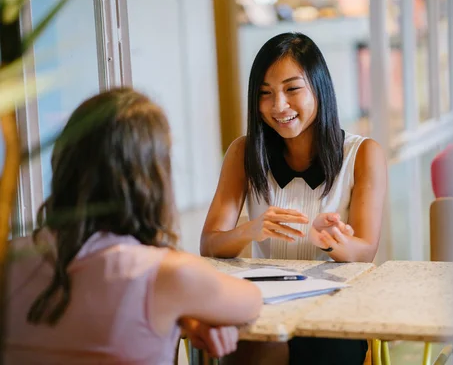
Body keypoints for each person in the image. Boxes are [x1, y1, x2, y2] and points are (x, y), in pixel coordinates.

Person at [5, 89, 263, 364]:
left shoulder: (8, 259)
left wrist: (180, 315)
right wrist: (185, 312)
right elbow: (250, 301)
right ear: (150, 180)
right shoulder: (168, 273)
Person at [201, 33, 387, 364]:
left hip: (335, 311)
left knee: (323, 350)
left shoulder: (362, 154)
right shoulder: (244, 152)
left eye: (292, 89)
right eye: (265, 94)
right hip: (266, 309)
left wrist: (329, 240)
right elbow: (209, 244)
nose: (279, 106)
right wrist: (252, 230)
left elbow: (365, 251)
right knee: (248, 347)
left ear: (319, 87)